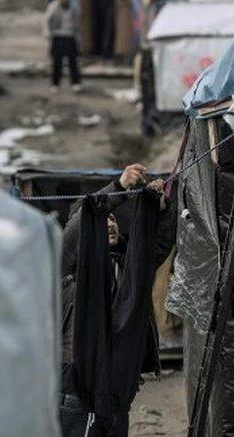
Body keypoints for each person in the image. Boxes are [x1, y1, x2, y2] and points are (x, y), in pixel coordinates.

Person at [59, 163, 176, 437]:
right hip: (75, 388)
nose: (110, 223)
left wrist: (160, 208)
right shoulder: (67, 269)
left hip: (116, 389)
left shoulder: (127, 267)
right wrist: (119, 188)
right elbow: (73, 235)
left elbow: (157, 244)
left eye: (113, 218)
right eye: (103, 218)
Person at [44, 0, 82, 93]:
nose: (65, 0)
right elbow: (46, 22)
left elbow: (78, 24)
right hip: (57, 35)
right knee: (57, 62)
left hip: (70, 36)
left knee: (73, 62)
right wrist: (48, 35)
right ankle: (55, 84)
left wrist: (78, 39)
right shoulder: (53, 7)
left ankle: (75, 83)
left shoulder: (74, 7)